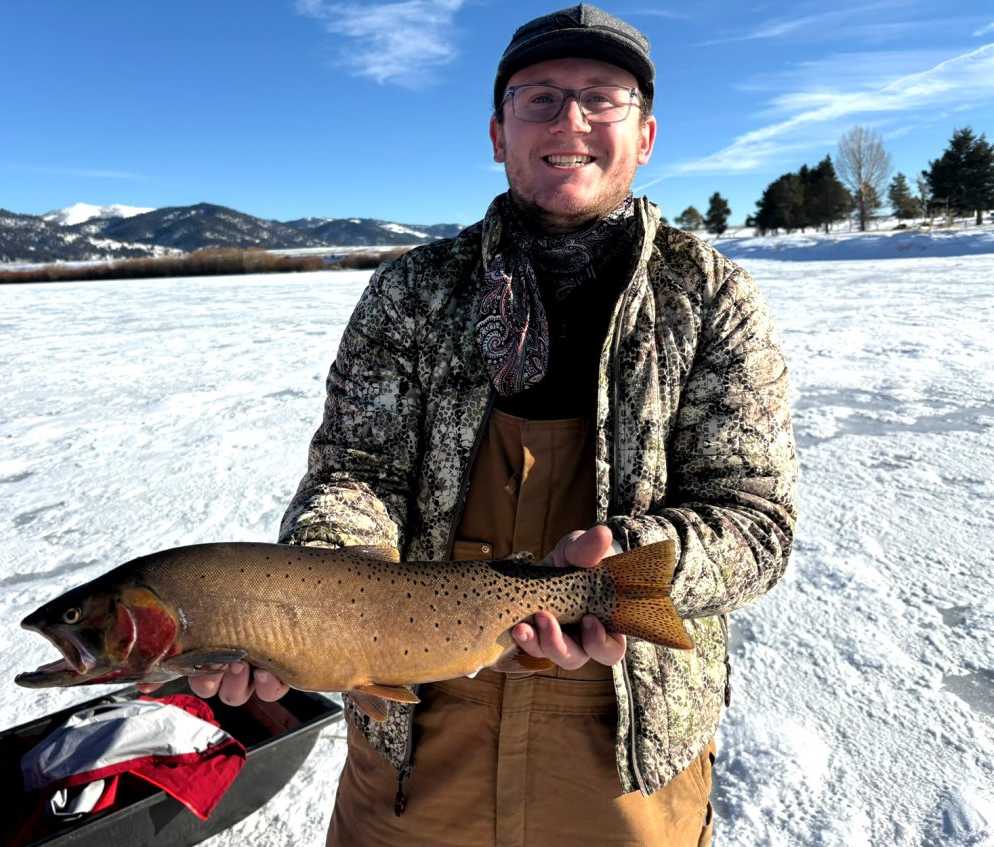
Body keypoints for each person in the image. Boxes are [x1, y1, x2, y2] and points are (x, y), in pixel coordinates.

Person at [154, 5, 798, 845]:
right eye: (539, 99)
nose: (569, 120)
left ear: (644, 136)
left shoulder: (707, 298)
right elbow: (355, 469)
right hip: (415, 738)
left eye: (601, 98)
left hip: (624, 752)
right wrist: (320, 600)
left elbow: (753, 517)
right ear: (498, 133)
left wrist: (635, 571)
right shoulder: (412, 292)